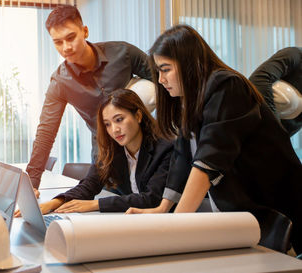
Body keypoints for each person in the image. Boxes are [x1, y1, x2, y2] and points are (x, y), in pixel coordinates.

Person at [126, 25, 302, 254]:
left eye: (166, 69)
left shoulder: (227, 86)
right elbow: (183, 157)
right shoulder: (190, 98)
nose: (160, 80)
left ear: (190, 64)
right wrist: (163, 209)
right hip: (248, 215)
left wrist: (173, 225)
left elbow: (209, 161)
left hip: (278, 208)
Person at [26, 5, 151, 196]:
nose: (66, 48)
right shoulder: (60, 82)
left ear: (85, 31)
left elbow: (165, 81)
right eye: (58, 42)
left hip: (147, 152)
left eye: (70, 38)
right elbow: (46, 132)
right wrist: (31, 183)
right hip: (107, 163)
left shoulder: (123, 53)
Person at [33, 89, 172, 214]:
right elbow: (89, 185)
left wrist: (96, 204)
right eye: (107, 124)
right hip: (133, 221)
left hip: (168, 225)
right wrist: (54, 203)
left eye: (119, 120)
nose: (114, 130)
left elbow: (152, 198)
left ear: (138, 116)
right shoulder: (113, 150)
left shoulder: (164, 148)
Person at [249, 47, 302, 136]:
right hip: (256, 127)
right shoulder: (294, 54)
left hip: (284, 133)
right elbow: (259, 79)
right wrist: (275, 125)